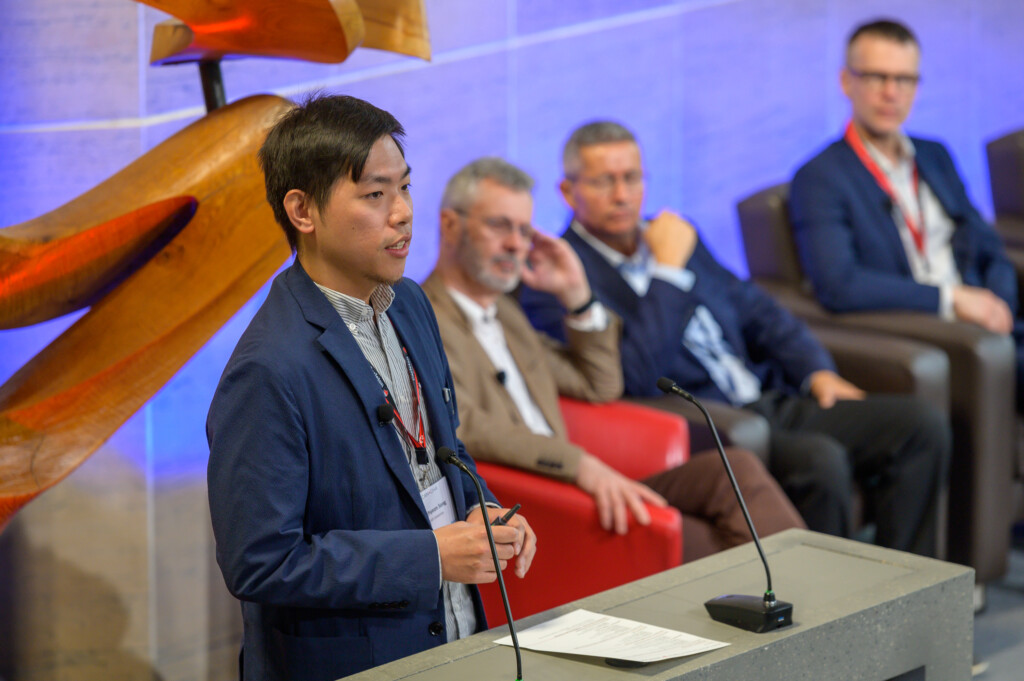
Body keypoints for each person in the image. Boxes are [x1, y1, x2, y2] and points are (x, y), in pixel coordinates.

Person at [206, 95, 536, 681]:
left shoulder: (409, 303)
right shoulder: (268, 369)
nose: (403, 212)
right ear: (302, 211)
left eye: (404, 188)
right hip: (358, 660)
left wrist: (484, 508)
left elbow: (442, 453)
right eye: (375, 195)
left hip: (456, 628)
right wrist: (431, 556)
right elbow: (260, 563)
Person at [519, 120, 951, 558]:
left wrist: (814, 370)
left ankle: (905, 588)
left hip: (767, 397)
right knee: (821, 461)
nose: (622, 195)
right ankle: (830, 612)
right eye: (603, 181)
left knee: (920, 425)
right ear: (568, 192)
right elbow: (632, 375)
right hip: (710, 422)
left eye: (632, 178)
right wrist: (667, 274)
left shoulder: (672, 234)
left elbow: (756, 308)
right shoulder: (560, 276)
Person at [423, 157, 805, 561]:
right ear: (450, 225)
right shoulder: (423, 319)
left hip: (584, 486)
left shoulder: (508, 316)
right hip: (539, 505)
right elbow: (463, 426)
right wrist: (581, 466)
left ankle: (821, 595)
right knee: (710, 541)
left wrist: (578, 297)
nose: (516, 244)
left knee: (735, 470)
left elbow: (600, 384)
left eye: (523, 230)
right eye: (499, 226)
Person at [789, 19, 1023, 405]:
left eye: (905, 80)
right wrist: (951, 300)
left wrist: (999, 306)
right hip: (933, 336)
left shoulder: (934, 154)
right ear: (847, 82)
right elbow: (838, 284)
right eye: (877, 77)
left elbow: (987, 245)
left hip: (990, 332)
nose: (891, 93)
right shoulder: (819, 177)